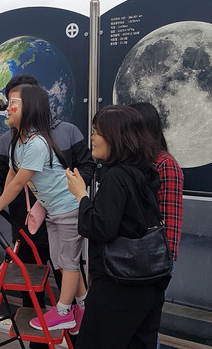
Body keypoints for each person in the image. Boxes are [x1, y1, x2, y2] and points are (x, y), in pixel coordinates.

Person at [0, 75, 95, 344]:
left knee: (67, 265)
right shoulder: (12, 142)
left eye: (14, 103)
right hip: (34, 223)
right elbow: (6, 175)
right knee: (58, 266)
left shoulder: (44, 140)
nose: (7, 109)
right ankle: (78, 306)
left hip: (66, 210)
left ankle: (65, 311)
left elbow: (21, 180)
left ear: (31, 106)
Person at [65, 105, 170, 349]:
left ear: (115, 137)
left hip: (118, 285)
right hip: (149, 283)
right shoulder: (144, 172)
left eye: (97, 131)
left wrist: (82, 195)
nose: (92, 137)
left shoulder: (116, 177)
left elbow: (101, 227)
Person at [130, 102, 183, 261]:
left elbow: (170, 217)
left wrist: (165, 258)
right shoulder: (133, 161)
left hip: (153, 257)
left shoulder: (165, 164)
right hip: (130, 251)